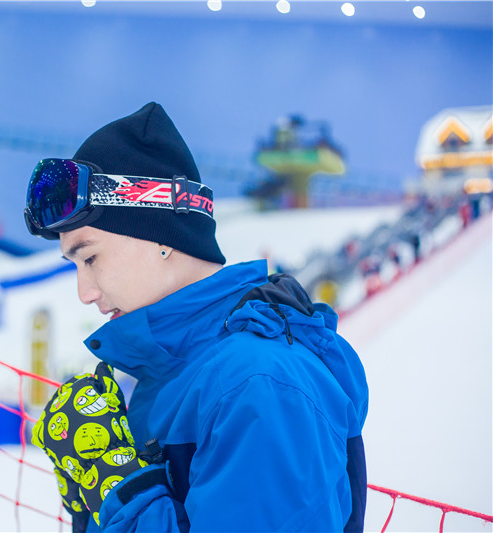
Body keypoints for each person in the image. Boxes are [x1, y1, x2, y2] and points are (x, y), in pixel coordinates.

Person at [24, 102, 368, 532]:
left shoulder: (256, 386)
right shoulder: (178, 372)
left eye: (90, 257)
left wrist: (113, 482)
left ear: (159, 237)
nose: (84, 292)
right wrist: (94, 504)